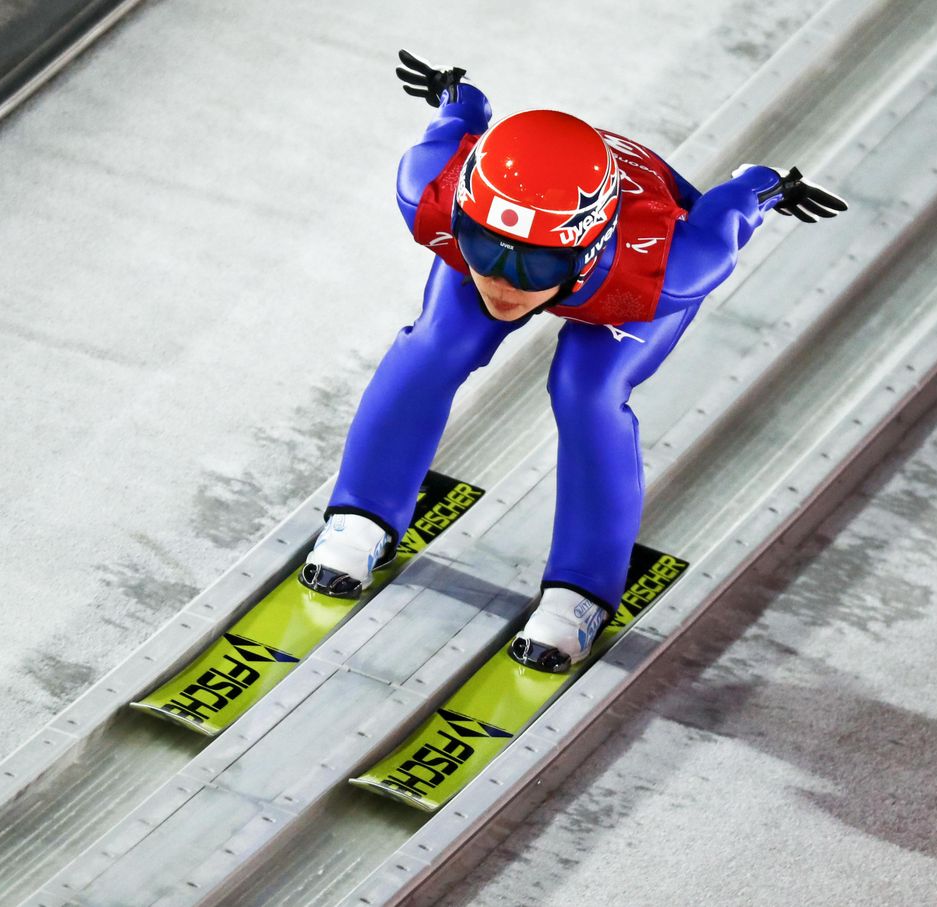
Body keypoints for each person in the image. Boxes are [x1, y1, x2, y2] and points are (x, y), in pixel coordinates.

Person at [299, 50, 847, 672]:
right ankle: (361, 518)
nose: (503, 283)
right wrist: (458, 93)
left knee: (586, 392)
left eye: (534, 264)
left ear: (585, 253)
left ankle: (579, 591)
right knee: (437, 344)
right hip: (571, 243)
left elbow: (726, 210)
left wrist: (762, 184)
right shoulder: (431, 188)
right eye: (483, 246)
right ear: (463, 216)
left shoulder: (670, 268)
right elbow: (458, 125)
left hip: (626, 280)